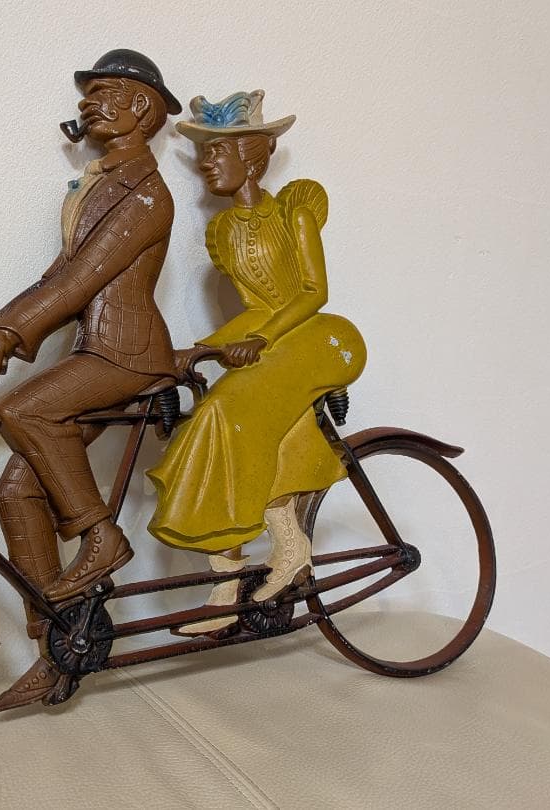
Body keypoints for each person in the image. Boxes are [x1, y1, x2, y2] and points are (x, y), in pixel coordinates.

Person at [0, 50, 182, 710]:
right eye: (87, 94)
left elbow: (81, 282)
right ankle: (57, 649)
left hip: (127, 354)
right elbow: (55, 276)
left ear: (141, 107)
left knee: (23, 410)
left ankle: (100, 537)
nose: (87, 103)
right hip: (95, 350)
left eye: (104, 92)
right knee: (16, 491)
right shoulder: (102, 186)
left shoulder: (147, 194)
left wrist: (7, 338)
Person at [147, 90, 367, 636]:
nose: (206, 163)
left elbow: (312, 292)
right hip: (274, 341)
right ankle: (247, 569)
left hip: (321, 338)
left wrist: (261, 338)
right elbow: (254, 309)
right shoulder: (223, 232)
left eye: (217, 152)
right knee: (212, 423)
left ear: (251, 157)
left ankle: (246, 574)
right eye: (203, 154)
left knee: (228, 413)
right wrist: (202, 349)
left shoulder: (293, 212)